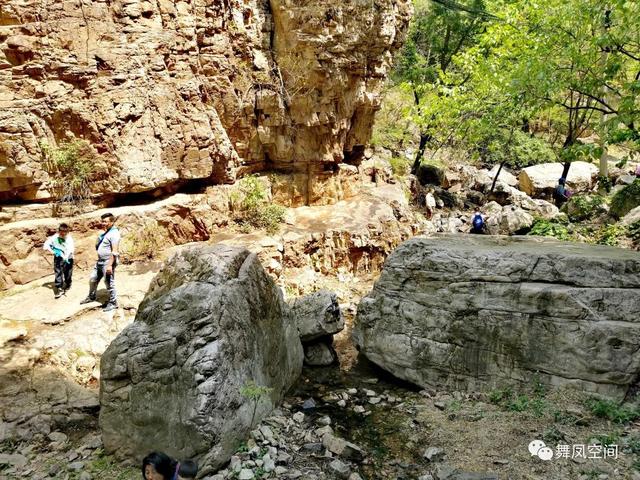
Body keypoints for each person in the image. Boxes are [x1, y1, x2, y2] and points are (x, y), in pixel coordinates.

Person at [80, 212, 121, 312]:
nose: (103, 223)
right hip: (100, 261)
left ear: (112, 222)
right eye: (102, 221)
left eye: (105, 221)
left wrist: (110, 266)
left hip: (107, 262)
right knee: (93, 279)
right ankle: (91, 296)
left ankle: (113, 302)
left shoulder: (114, 234)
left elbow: (114, 252)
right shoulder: (107, 232)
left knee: (109, 283)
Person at [43, 223, 75, 298]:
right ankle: (59, 287)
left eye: (65, 233)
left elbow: (71, 249)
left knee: (68, 273)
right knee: (58, 272)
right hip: (58, 258)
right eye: (61, 233)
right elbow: (46, 245)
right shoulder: (54, 237)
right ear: (59, 231)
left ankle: (68, 283)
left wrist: (66, 256)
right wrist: (54, 251)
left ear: (67, 232)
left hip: (68, 257)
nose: (63, 234)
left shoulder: (69, 238)